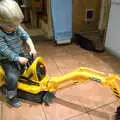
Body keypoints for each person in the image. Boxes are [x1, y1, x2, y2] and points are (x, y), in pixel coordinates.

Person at [0, 0, 37, 107]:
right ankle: (11, 97)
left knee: (31, 60)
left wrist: (32, 48)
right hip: (6, 59)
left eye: (18, 25)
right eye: (13, 26)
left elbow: (26, 37)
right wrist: (17, 58)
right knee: (12, 77)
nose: (16, 28)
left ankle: (26, 77)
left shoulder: (16, 27)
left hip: (19, 53)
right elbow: (4, 50)